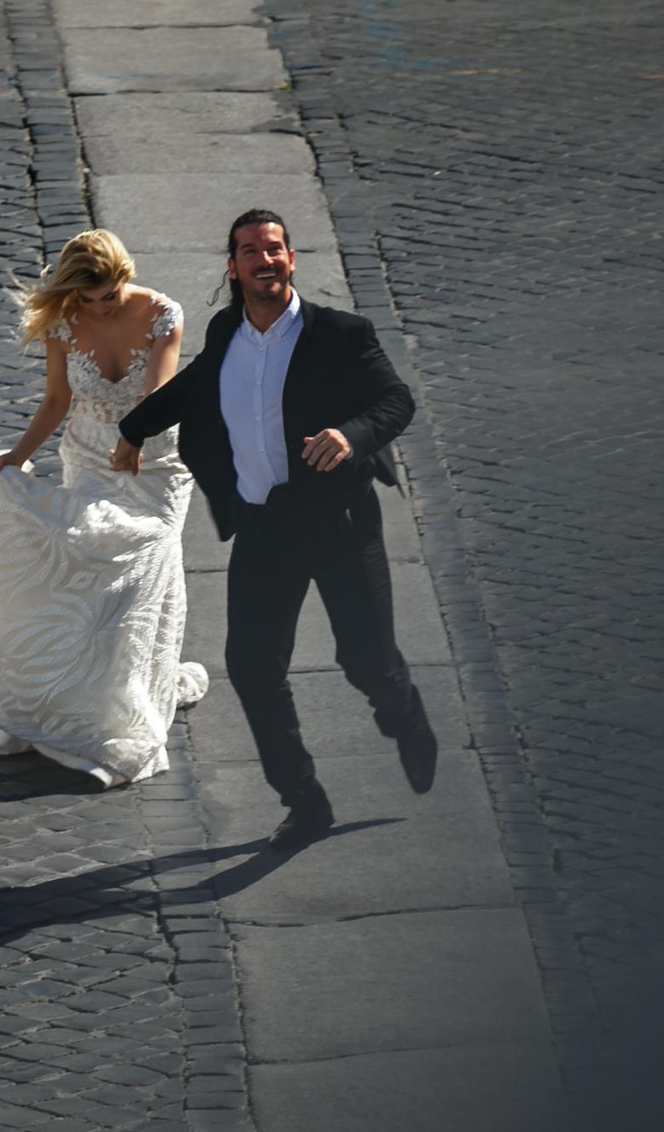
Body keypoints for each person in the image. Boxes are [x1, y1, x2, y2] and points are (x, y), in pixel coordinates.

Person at [113, 208, 437, 850]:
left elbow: (396, 401)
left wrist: (352, 435)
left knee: (366, 660)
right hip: (264, 527)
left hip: (341, 525)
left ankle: (403, 712)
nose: (265, 260)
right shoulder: (227, 330)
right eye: (250, 252)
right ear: (232, 267)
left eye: (275, 249)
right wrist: (132, 428)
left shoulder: (342, 334)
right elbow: (196, 386)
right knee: (253, 666)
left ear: (291, 260)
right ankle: (304, 802)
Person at [0, 229, 210, 785]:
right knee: (95, 570)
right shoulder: (65, 322)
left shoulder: (165, 313)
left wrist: (135, 440)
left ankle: (139, 691)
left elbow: (158, 395)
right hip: (91, 458)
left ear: (126, 275)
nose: (98, 307)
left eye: (108, 297)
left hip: (157, 463)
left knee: (148, 567)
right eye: (88, 299)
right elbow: (56, 399)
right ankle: (91, 699)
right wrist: (16, 459)